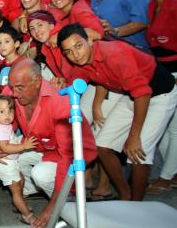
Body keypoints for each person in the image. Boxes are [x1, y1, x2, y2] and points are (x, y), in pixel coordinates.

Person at [57, 23, 177, 202]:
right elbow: (75, 84)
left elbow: (143, 92)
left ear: (89, 40)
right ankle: (125, 194)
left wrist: (134, 136)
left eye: (78, 46)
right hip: (131, 95)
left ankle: (136, 205)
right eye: (68, 51)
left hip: (159, 95)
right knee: (103, 145)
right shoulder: (80, 63)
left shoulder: (113, 53)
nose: (75, 54)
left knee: (138, 151)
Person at [6, 58, 97, 228]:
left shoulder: (59, 102)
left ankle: (69, 202)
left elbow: (68, 157)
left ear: (38, 81)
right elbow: (1, 110)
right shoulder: (15, 89)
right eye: (12, 87)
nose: (14, 93)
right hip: (43, 147)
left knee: (40, 174)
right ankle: (26, 193)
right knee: (11, 156)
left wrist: (52, 207)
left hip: (71, 155)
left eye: (19, 88)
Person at [143, 0, 177, 194]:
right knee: (165, 130)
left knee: (174, 129)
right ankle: (171, 173)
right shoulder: (152, 5)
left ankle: (166, 177)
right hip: (161, 71)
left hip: (175, 69)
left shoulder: (175, 5)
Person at [0, 95, 38, 225]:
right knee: (16, 191)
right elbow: (5, 147)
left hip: (10, 162)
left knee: (21, 181)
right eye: (2, 112)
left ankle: (18, 205)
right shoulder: (1, 128)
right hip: (6, 165)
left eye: (10, 110)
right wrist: (24, 146)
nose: (8, 114)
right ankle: (27, 215)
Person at [0, 26, 23, 90]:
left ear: (16, 44)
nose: (2, 45)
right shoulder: (1, 66)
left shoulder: (24, 64)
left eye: (7, 41)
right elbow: (0, 89)